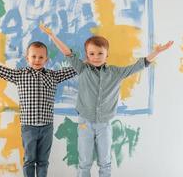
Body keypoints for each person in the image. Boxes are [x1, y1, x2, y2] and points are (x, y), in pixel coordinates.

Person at [39, 24, 173, 177]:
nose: (96, 57)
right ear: (87, 55)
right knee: (84, 163)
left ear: (107, 54)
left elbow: (138, 65)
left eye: (100, 53)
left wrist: (156, 52)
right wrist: (52, 36)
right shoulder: (82, 68)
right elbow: (67, 53)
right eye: (92, 53)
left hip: (104, 124)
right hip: (85, 122)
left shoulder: (115, 72)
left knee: (105, 162)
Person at [0, 40, 77, 177]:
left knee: (43, 161)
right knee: (29, 160)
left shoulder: (53, 76)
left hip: (47, 127)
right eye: (33, 56)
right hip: (28, 127)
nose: (37, 60)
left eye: (41, 57)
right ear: (27, 58)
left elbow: (76, 68)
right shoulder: (19, 75)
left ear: (46, 60)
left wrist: (92, 58)